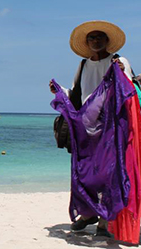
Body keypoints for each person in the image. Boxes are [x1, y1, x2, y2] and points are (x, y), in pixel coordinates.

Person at [49, 20, 133, 237]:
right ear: (87, 42)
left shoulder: (118, 61)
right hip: (86, 126)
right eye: (91, 38)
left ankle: (104, 221)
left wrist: (122, 73)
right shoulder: (84, 64)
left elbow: (130, 90)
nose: (96, 41)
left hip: (111, 126)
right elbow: (77, 93)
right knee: (83, 170)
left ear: (107, 41)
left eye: (99, 37)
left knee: (109, 173)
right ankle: (87, 213)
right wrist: (58, 91)